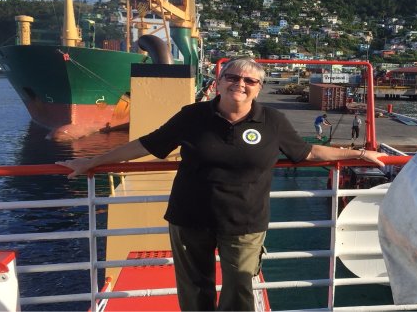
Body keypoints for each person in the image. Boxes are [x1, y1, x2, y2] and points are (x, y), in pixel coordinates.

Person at [56, 57, 387, 311]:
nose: (240, 84)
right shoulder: (193, 116)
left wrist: (357, 153)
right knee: (194, 289)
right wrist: (91, 161)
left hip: (244, 222)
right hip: (189, 218)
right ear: (219, 81)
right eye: (232, 77)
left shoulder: (272, 121)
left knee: (239, 290)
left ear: (258, 88)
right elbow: (147, 144)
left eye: (249, 80)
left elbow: (309, 150)